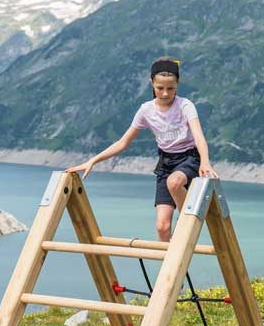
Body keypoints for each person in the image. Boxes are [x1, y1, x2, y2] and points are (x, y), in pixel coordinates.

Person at [67, 57, 218, 241]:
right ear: (151, 83)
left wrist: (205, 161)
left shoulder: (185, 106)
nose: (164, 93)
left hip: (189, 159)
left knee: (174, 183)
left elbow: (198, 135)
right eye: (160, 88)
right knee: (162, 228)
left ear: (177, 85)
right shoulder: (146, 110)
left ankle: (188, 221)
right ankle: (169, 267)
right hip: (166, 163)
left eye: (170, 88)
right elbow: (122, 143)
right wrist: (92, 161)